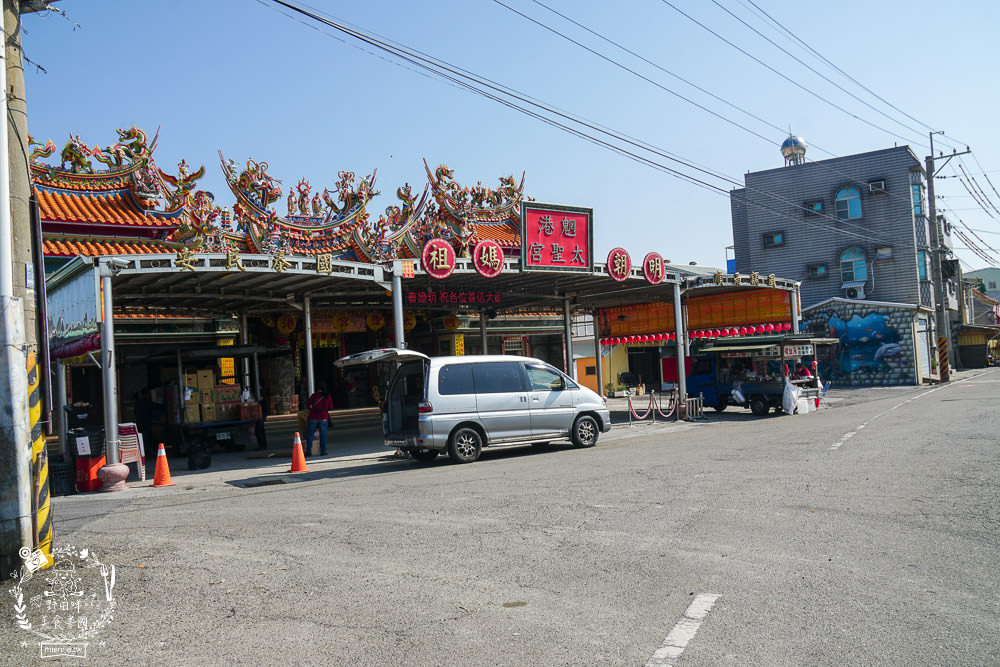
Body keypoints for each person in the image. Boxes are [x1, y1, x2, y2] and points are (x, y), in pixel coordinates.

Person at [304, 383, 334, 456]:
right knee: (323, 435)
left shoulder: (314, 396)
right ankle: (323, 451)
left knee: (310, 434)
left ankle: (308, 451)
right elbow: (331, 407)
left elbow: (308, 406)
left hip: (313, 417)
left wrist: (313, 408)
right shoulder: (327, 396)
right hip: (324, 417)